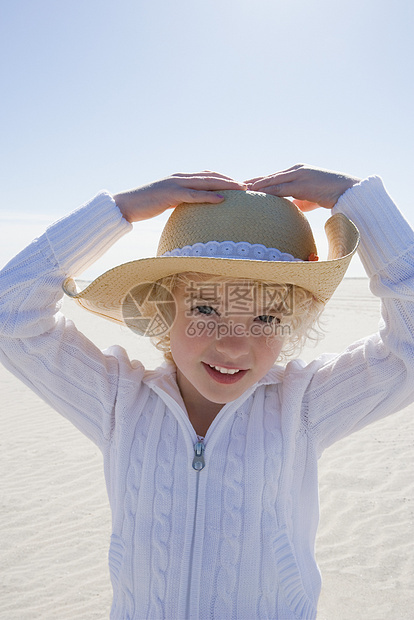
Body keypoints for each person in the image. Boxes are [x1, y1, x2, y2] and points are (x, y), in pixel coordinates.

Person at [0, 164, 413, 620]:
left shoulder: (302, 407)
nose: (234, 344)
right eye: (205, 309)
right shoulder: (118, 401)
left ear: (291, 323)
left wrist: (360, 202)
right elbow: (10, 314)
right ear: (162, 307)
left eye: (266, 318)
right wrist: (119, 211)